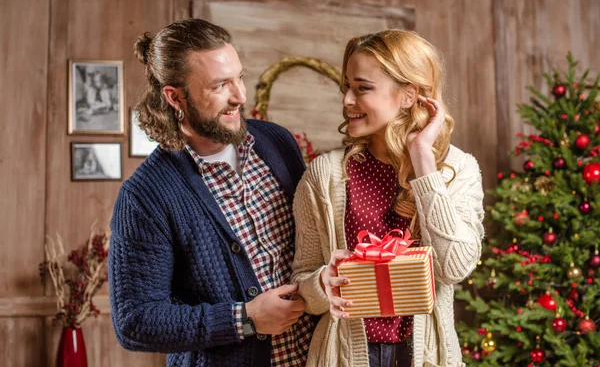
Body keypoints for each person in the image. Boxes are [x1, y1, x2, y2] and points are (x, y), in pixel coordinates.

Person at [108, 18, 317, 367]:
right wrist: (244, 318)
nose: (240, 96)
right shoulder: (146, 196)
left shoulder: (277, 142)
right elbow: (135, 322)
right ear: (175, 97)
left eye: (239, 77)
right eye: (220, 85)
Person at [291, 30, 485, 367]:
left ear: (409, 95)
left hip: (426, 355)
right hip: (342, 355)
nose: (347, 101)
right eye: (346, 87)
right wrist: (321, 285)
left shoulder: (459, 169)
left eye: (362, 88)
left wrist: (423, 160)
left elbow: (454, 267)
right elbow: (302, 280)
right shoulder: (324, 174)